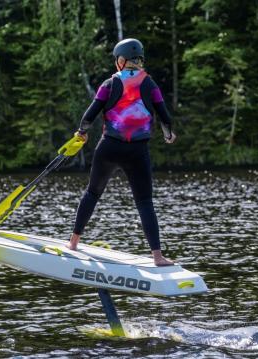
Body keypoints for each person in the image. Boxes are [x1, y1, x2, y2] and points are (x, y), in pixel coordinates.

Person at [66, 38, 176, 266]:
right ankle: (157, 256)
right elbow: (164, 115)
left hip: (109, 148)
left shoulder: (109, 84)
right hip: (138, 152)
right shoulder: (150, 85)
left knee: (92, 193)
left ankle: (73, 243)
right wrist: (168, 134)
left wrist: (82, 132)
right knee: (145, 202)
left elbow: (89, 115)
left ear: (121, 60)